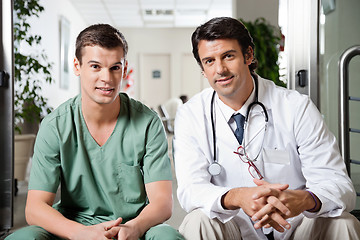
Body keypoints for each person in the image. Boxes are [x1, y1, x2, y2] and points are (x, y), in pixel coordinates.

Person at [173, 17, 360, 240]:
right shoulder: (191, 114)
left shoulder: (296, 107)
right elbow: (190, 190)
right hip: (234, 229)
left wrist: (305, 199)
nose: (220, 69)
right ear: (203, 69)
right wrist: (237, 197)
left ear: (249, 55)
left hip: (296, 227)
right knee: (198, 222)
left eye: (228, 56)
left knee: (343, 223)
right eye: (209, 61)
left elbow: (339, 185)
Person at [6, 24, 183, 240]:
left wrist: (134, 228)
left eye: (115, 67)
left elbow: (162, 203)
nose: (106, 78)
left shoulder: (148, 123)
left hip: (132, 227)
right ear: (77, 66)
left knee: (168, 237)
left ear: (124, 69)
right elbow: (34, 208)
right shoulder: (55, 126)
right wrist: (80, 233)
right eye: (96, 66)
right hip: (72, 228)